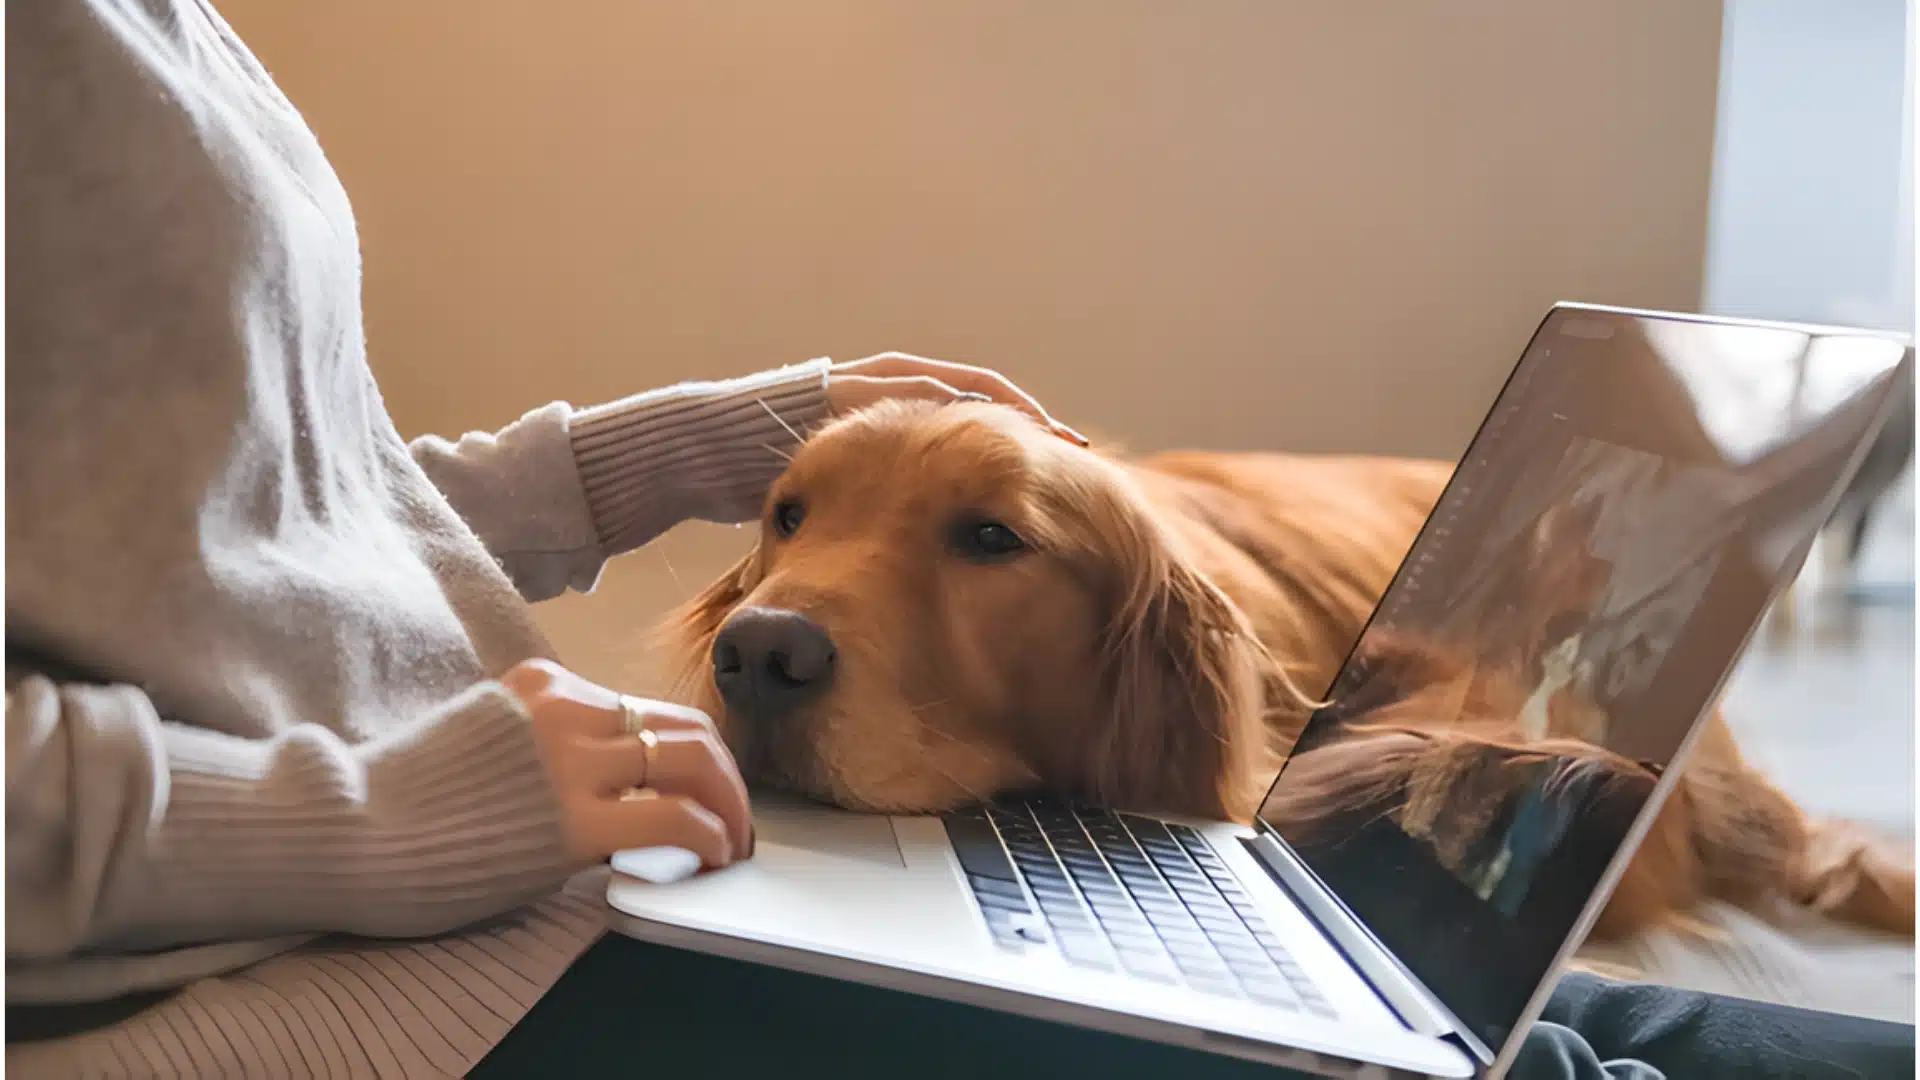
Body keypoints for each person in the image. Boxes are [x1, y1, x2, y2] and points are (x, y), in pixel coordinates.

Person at [8, 2, 1912, 1079]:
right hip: (312, 974)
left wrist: (676, 452)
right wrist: (390, 817)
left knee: (1495, 1007)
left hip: (490, 870)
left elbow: (244, 497)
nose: (778, 619)